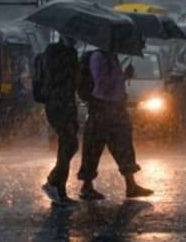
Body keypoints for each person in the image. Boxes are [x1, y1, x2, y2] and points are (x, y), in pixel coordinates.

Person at [78, 49, 154, 200]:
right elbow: (102, 85)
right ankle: (86, 187)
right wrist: (121, 78)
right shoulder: (99, 57)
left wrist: (125, 76)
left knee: (124, 146)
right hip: (103, 108)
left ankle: (131, 185)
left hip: (115, 108)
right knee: (93, 148)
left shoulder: (111, 56)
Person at [40, 36, 80, 206]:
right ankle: (56, 186)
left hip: (67, 103)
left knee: (70, 144)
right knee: (68, 143)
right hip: (58, 103)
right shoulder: (55, 52)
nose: (74, 40)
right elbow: (56, 77)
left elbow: (74, 82)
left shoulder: (71, 53)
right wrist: (73, 66)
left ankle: (55, 184)